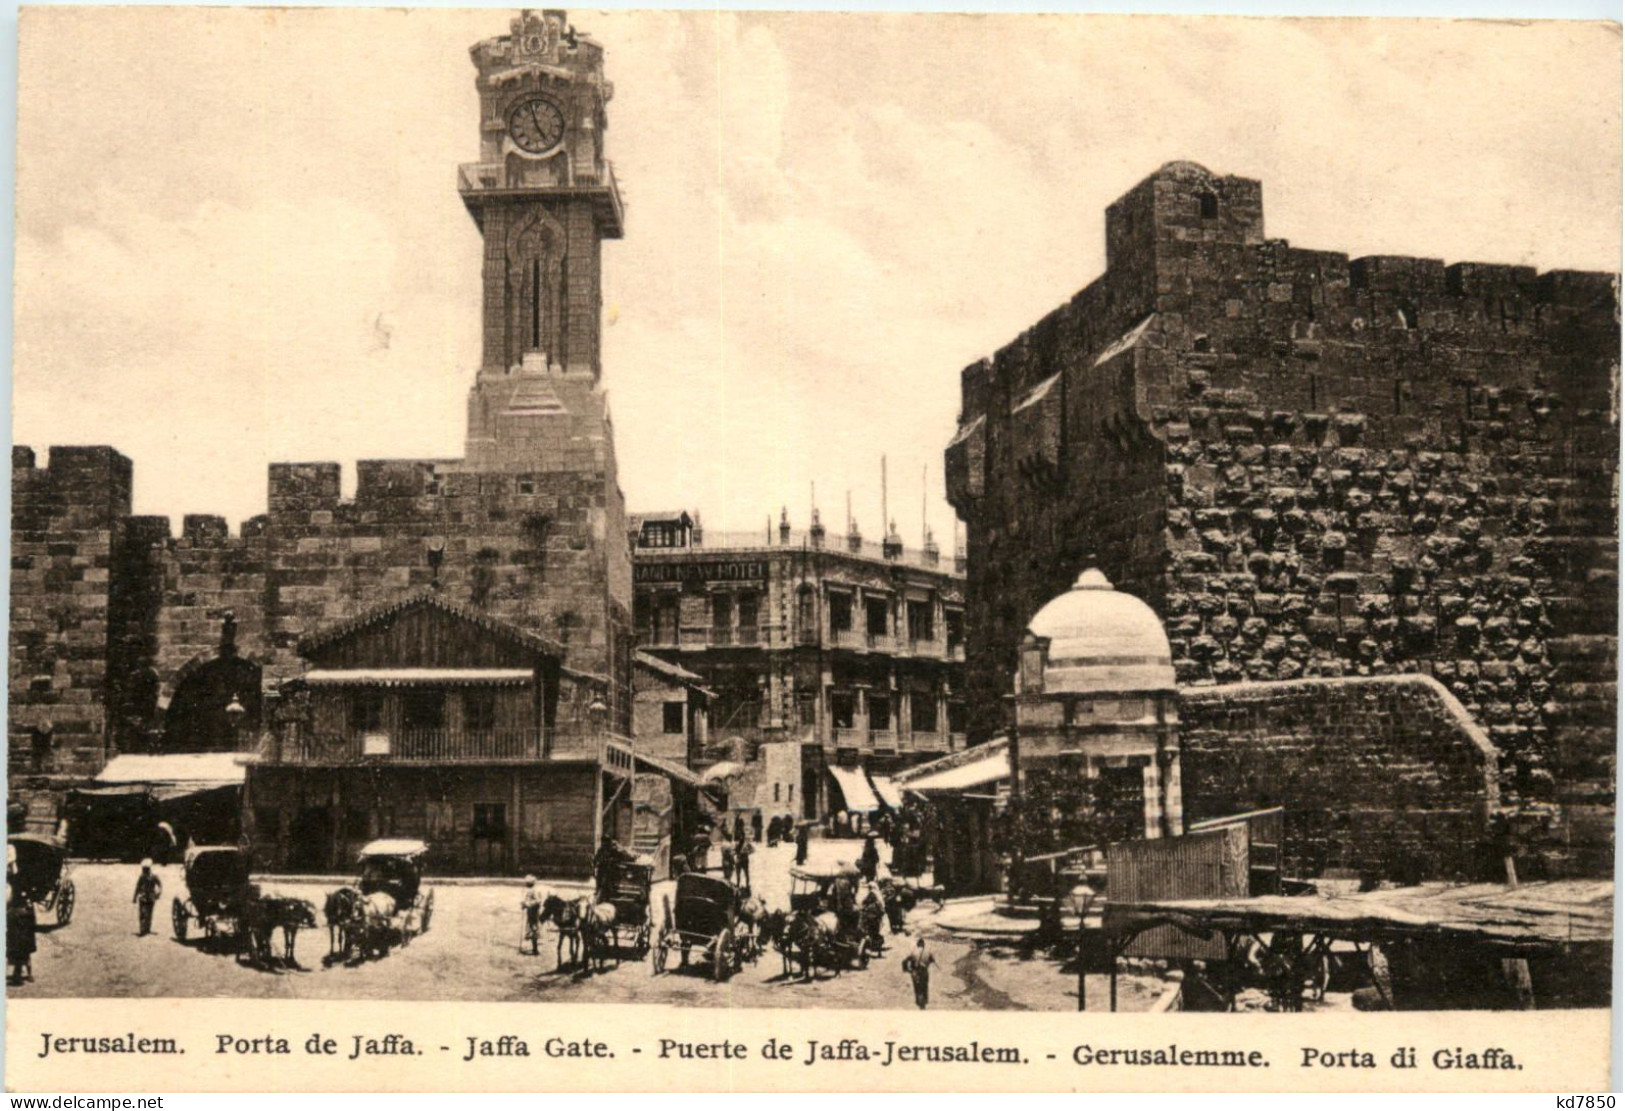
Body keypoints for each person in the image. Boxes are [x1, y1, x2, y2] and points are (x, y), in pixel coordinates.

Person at [7, 886, 36, 984]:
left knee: (19, 953)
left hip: (20, 932)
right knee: (26, 954)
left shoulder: (13, 908)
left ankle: (19, 973)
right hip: (24, 933)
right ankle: (28, 974)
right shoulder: (28, 907)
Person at [902, 936, 936, 1009]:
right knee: (924, 985)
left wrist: (906, 969)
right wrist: (927, 963)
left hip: (916, 971)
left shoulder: (914, 952)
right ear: (923, 945)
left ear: (917, 944)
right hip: (924, 971)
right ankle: (924, 1000)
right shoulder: (927, 952)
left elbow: (905, 961)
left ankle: (919, 1000)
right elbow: (932, 960)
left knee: (917, 986)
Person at [133, 859, 162, 937]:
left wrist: (159, 892)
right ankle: (142, 929)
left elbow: (159, 885)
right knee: (142, 913)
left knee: (149, 913)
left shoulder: (154, 876)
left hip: (151, 897)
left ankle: (147, 929)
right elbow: (138, 887)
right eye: (144, 869)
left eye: (146, 869)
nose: (144, 870)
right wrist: (134, 897)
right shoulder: (142, 876)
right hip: (143, 896)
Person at [521, 876, 544, 955]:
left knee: (533, 928)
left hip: (534, 912)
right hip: (531, 912)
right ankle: (534, 948)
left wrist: (527, 904)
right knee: (532, 928)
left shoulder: (534, 891)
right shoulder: (531, 890)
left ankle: (535, 949)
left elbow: (538, 901)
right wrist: (524, 905)